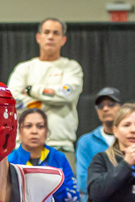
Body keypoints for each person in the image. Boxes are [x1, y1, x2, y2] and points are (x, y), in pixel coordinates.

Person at [8, 18, 83, 159]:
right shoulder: (23, 69)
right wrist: (49, 102)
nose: (50, 37)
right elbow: (13, 101)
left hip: (60, 146)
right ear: (38, 37)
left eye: (56, 33)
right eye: (46, 32)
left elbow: (67, 95)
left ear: (63, 40)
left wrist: (31, 90)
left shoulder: (71, 68)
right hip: (23, 149)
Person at [8, 107, 80, 202]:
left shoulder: (59, 158)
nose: (34, 131)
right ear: (19, 131)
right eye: (28, 126)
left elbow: (73, 200)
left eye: (40, 126)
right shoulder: (9, 161)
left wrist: (53, 185)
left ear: (47, 132)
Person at [75, 87, 122, 202]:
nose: (105, 109)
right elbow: (83, 179)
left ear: (122, 108)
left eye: (111, 104)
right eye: (100, 106)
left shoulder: (128, 139)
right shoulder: (86, 142)